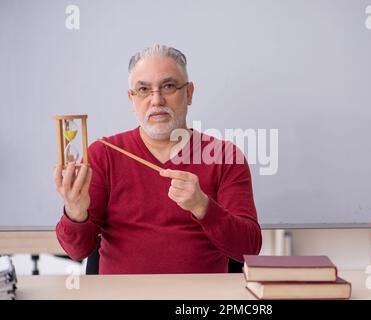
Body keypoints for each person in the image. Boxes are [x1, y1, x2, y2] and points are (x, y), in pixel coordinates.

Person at [54, 44, 262, 274]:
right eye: (143, 89)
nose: (156, 100)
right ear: (131, 99)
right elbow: (77, 251)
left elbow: (248, 248)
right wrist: (75, 212)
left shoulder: (225, 157)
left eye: (169, 86)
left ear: (189, 93)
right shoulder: (103, 154)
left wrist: (203, 207)